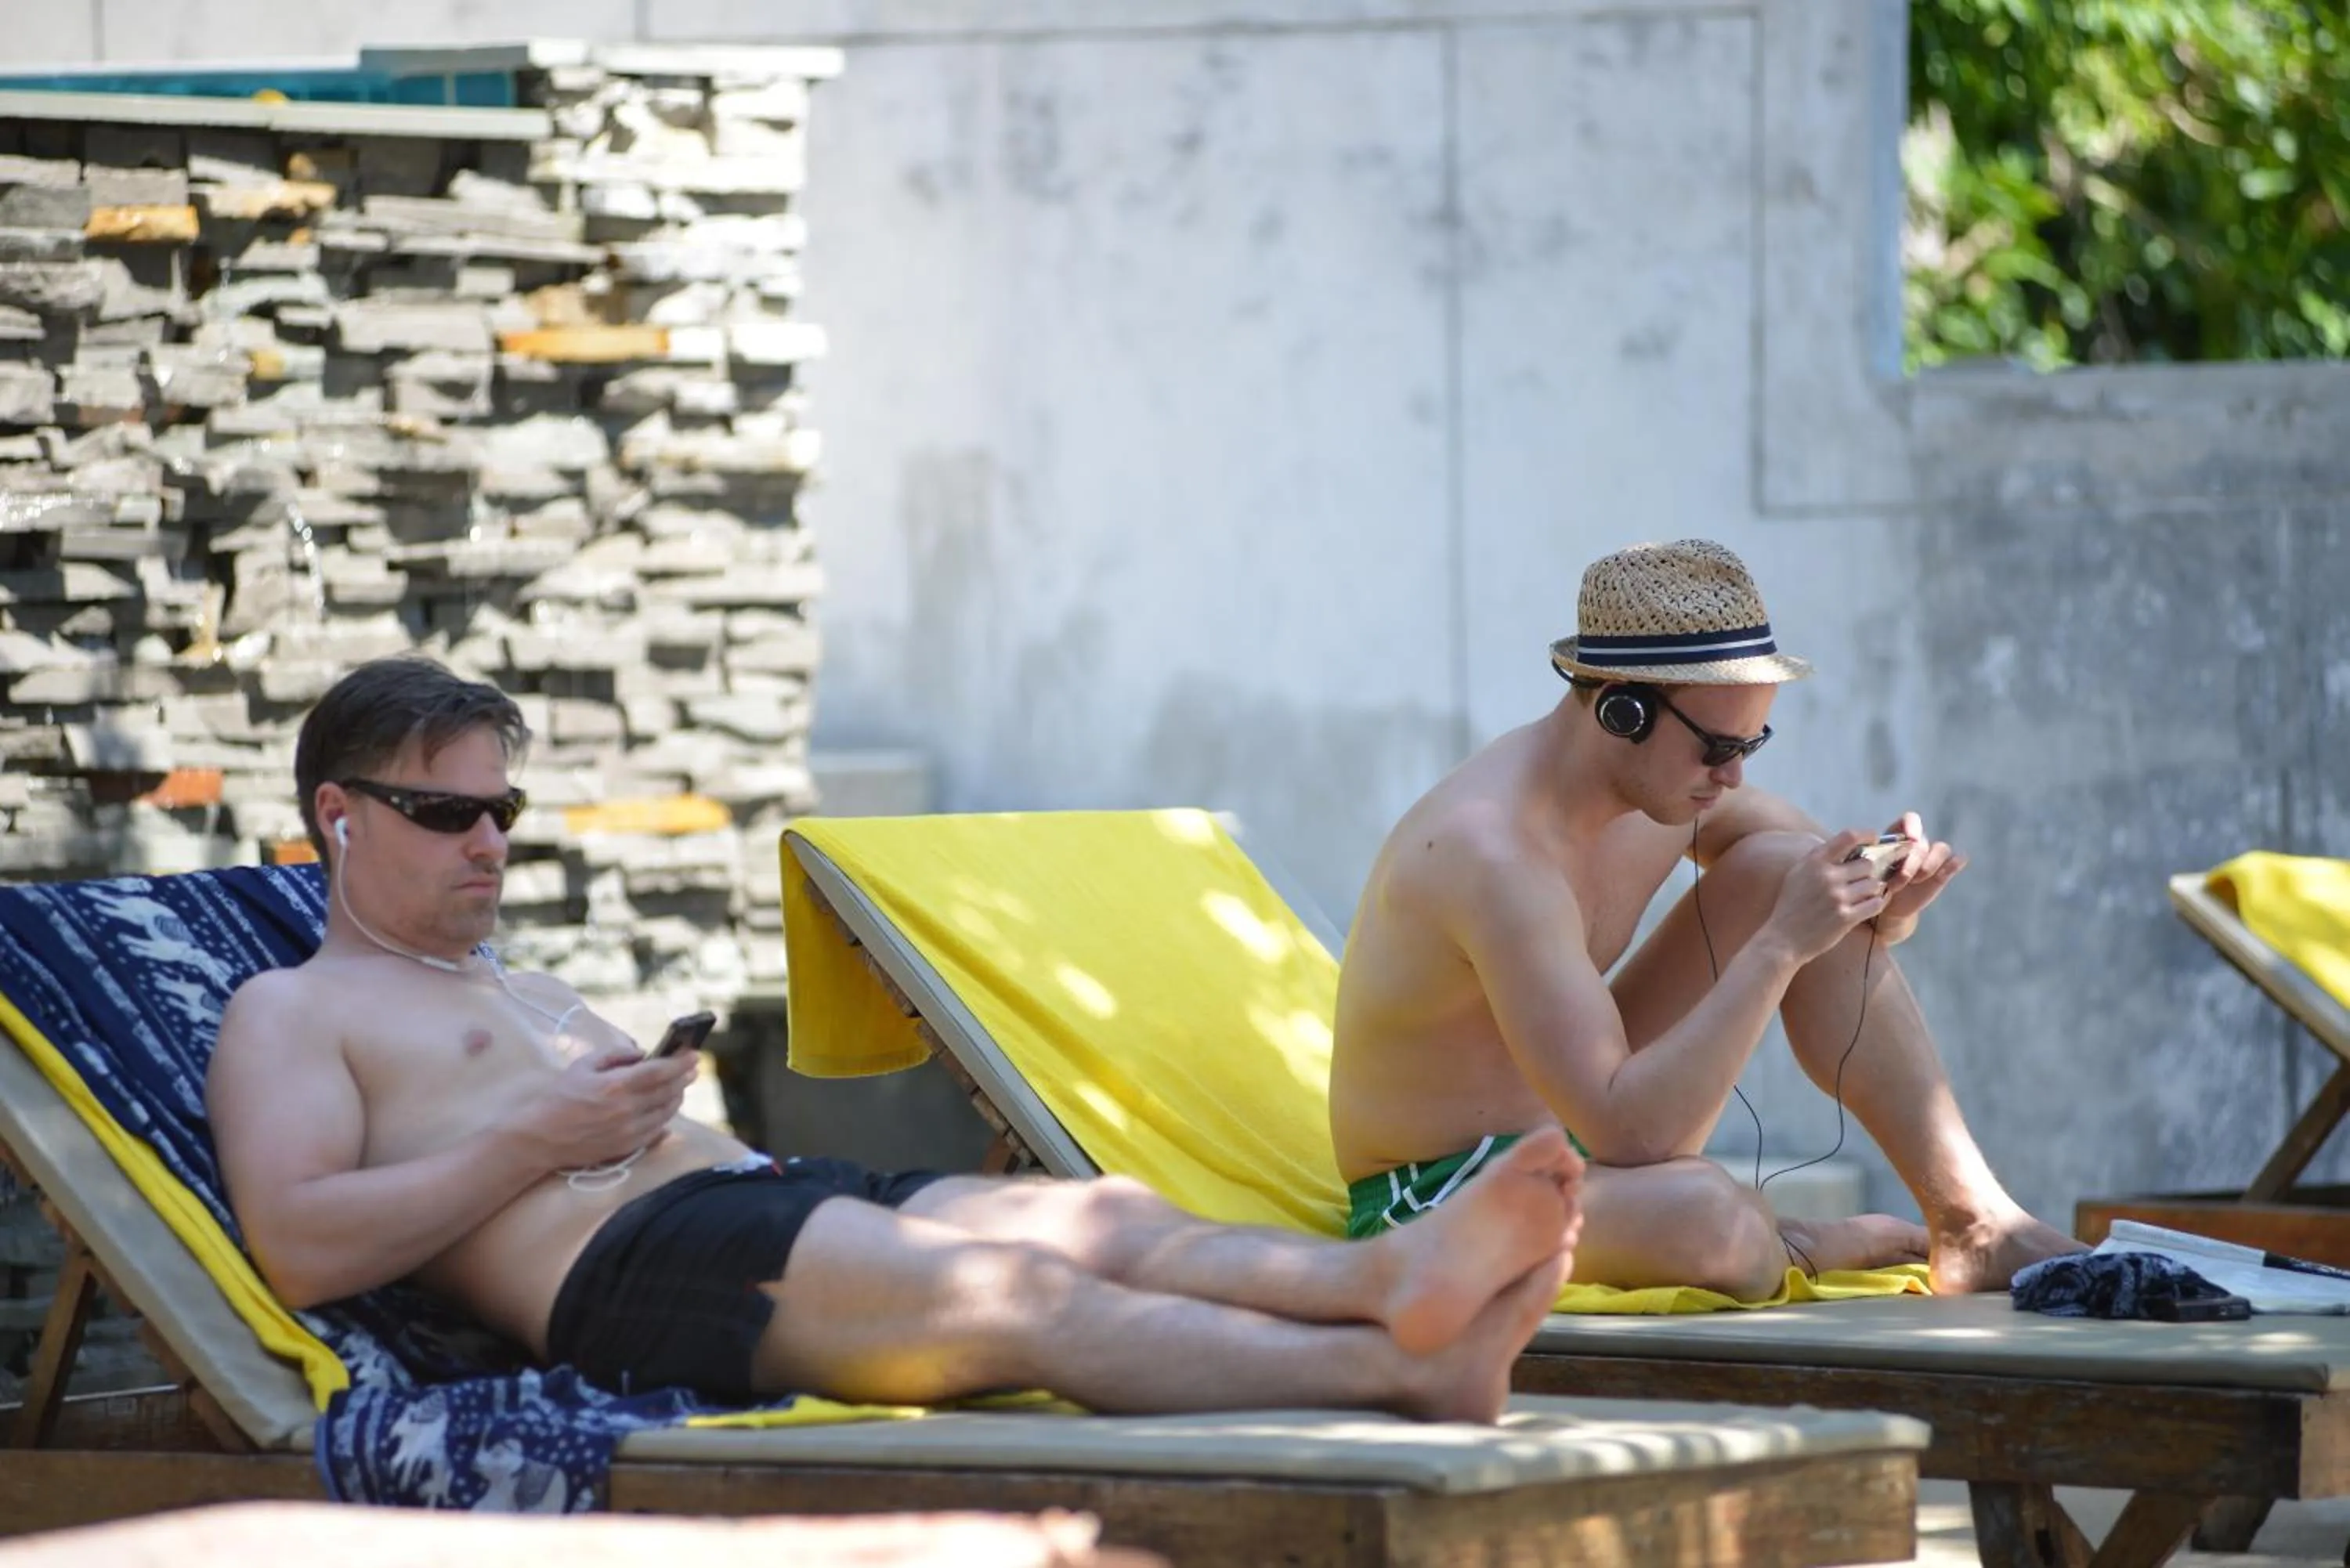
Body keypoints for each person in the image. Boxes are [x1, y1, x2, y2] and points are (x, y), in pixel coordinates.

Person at [208, 656, 1584, 1422]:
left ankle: (1383, 1276)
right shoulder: (296, 1010)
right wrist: (542, 1133)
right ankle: (1396, 1365)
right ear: (340, 815)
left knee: (1095, 1216)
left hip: (757, 1203)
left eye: (504, 811)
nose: (491, 844)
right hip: (632, 1274)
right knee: (1017, 1305)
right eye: (451, 818)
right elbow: (303, 1240)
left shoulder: (528, 986)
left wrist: (634, 1106)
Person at [1329, 539, 2081, 1299]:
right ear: (1621, 709)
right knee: (1710, 1223)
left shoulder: (1669, 789)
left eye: (1752, 742)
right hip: (1437, 1196)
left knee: (1790, 864)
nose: (1733, 775)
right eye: (1717, 746)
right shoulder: (1492, 852)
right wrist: (1781, 944)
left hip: (1586, 1140)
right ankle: (1795, 1242)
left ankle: (1972, 1219)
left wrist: (1887, 909)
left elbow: (1828, 900)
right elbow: (1632, 1131)